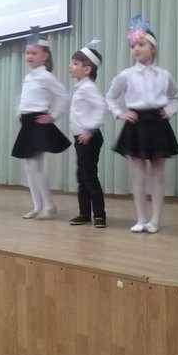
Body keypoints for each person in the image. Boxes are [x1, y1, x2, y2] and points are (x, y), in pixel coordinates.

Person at [106, 15, 178, 234]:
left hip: (157, 124)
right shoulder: (126, 75)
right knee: (139, 174)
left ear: (153, 48)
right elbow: (110, 97)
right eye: (133, 46)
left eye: (141, 44)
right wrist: (120, 113)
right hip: (136, 124)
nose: (136, 49)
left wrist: (169, 111)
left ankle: (155, 219)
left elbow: (175, 97)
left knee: (158, 174)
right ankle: (140, 218)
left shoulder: (164, 75)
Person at [11, 26, 70, 219]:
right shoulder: (29, 77)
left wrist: (53, 116)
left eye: (34, 53)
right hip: (28, 123)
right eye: (28, 52)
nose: (29, 56)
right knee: (29, 167)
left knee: (35, 166)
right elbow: (24, 98)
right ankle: (38, 206)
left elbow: (63, 96)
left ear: (45, 56)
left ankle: (49, 205)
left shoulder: (46, 76)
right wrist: (19, 113)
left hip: (38, 123)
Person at [68, 40, 107, 228]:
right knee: (82, 177)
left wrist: (90, 130)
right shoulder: (81, 87)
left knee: (89, 177)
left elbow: (102, 108)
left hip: (89, 138)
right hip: (81, 139)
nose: (71, 66)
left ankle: (99, 215)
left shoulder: (88, 88)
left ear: (87, 70)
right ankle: (84, 213)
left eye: (75, 63)